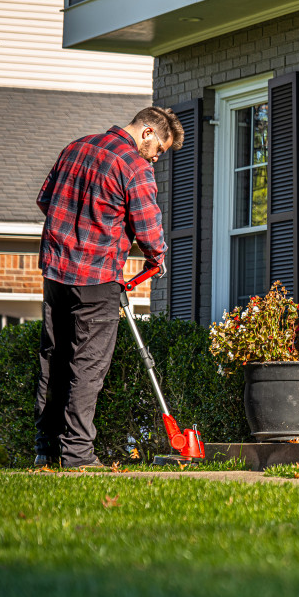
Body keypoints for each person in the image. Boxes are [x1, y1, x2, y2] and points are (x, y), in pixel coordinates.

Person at [33, 106, 184, 469]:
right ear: (147, 132)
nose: (158, 157)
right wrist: (156, 257)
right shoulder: (133, 166)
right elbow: (148, 229)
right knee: (88, 366)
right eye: (160, 148)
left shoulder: (76, 147)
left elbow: (45, 200)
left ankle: (45, 451)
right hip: (97, 279)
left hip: (56, 273)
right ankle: (78, 456)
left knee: (54, 358)